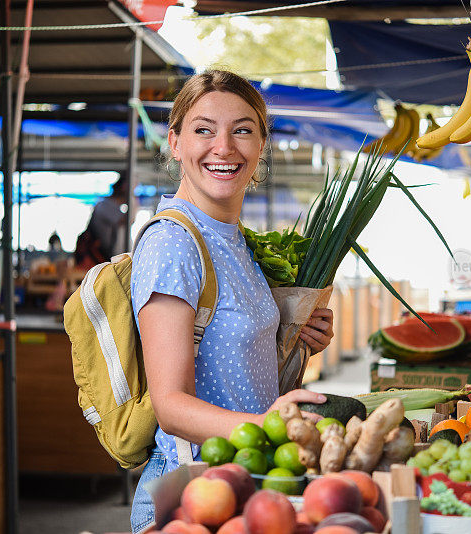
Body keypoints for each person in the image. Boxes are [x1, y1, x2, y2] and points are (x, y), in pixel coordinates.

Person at [128, 70, 334, 533]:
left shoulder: (235, 239)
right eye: (204, 129)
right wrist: (266, 425)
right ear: (176, 142)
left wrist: (300, 344)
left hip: (248, 486)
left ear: (261, 144)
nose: (224, 147)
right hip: (194, 496)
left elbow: (235, 368)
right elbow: (171, 405)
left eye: (242, 130)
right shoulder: (174, 243)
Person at [76, 171, 130, 268]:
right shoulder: (106, 205)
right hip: (99, 256)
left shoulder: (108, 206)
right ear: (123, 188)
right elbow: (127, 220)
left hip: (102, 256)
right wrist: (134, 200)